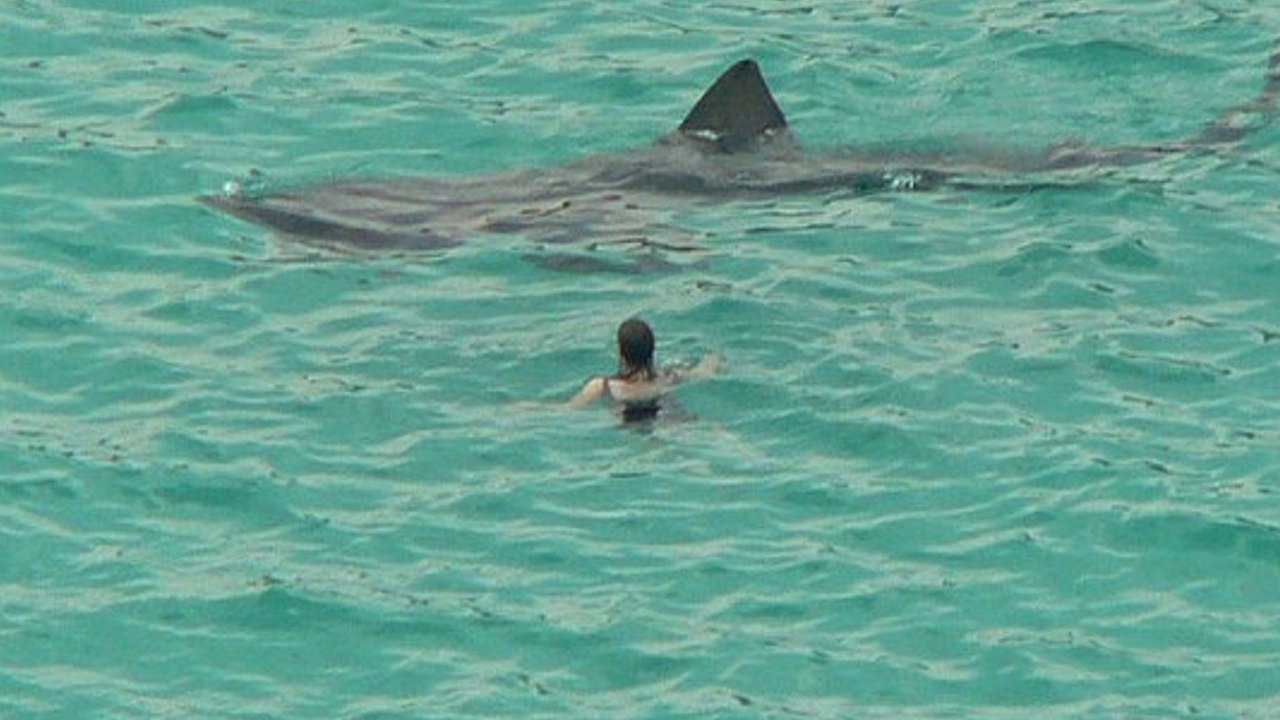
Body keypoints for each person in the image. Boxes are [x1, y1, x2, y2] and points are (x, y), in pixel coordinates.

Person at [567, 317, 723, 422]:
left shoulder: (602, 385)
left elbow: (570, 408)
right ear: (652, 349)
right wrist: (715, 356)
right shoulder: (668, 377)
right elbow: (702, 372)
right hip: (672, 415)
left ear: (620, 351)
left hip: (631, 425)